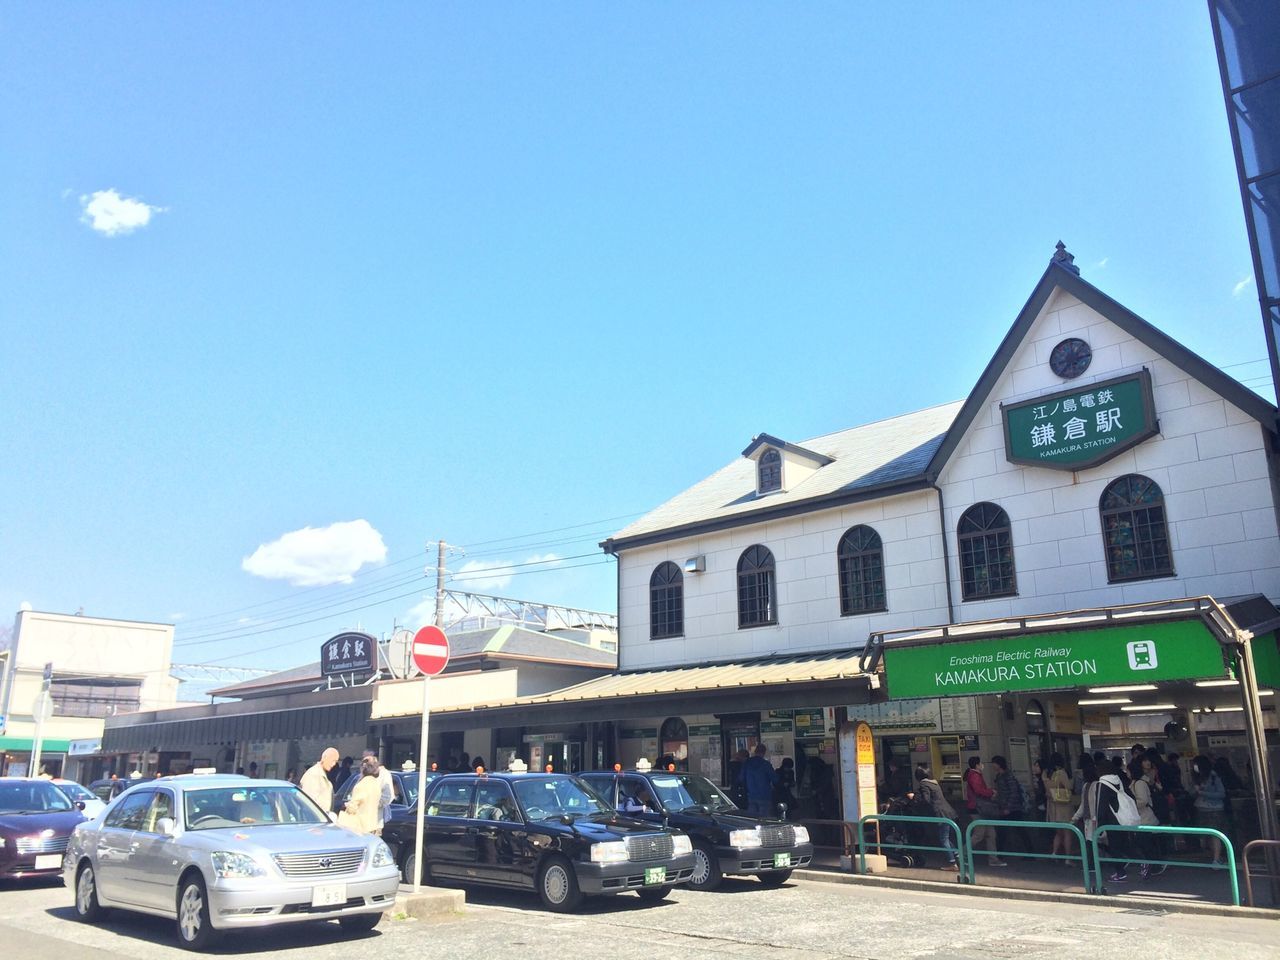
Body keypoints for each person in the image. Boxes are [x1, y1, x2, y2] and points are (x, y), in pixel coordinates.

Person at [1073, 768, 1129, 882]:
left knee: (1096, 841)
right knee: (1095, 841)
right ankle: (1115, 862)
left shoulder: (1096, 785)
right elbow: (1086, 804)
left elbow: (1091, 804)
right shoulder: (1093, 785)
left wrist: (1094, 818)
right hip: (1092, 818)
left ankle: (1113, 863)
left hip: (1094, 818)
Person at [963, 757, 1007, 866]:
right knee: (979, 834)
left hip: (979, 808)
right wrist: (991, 792)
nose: (982, 765)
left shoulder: (972, 775)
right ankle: (962, 853)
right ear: (977, 765)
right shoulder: (975, 776)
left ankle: (993, 859)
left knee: (990, 834)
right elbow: (979, 790)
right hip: (978, 808)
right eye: (981, 763)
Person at [915, 764, 959, 873]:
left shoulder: (924, 784)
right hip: (948, 811)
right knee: (946, 838)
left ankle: (953, 863)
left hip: (940, 813)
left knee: (943, 839)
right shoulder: (934, 783)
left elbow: (926, 800)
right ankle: (958, 856)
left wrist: (914, 798)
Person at [1189, 755, 1228, 864]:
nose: (1193, 766)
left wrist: (1202, 792)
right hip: (1202, 810)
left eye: (1195, 764)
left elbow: (1221, 794)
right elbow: (1191, 793)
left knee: (1214, 835)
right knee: (1209, 836)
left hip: (1214, 810)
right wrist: (1195, 790)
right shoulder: (1197, 777)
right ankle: (1215, 857)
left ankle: (1216, 859)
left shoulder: (1214, 776)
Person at [1127, 758, 1161, 879]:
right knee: (1146, 844)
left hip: (1144, 818)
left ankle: (1153, 866)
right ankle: (1153, 866)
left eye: (1128, 770)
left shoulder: (1139, 783)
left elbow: (1143, 800)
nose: (1127, 773)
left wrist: (1130, 805)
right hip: (1142, 818)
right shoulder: (1137, 782)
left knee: (1144, 844)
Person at [990, 756, 1028, 855]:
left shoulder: (1008, 776)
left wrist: (1008, 807)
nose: (992, 765)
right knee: (1005, 831)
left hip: (1012, 808)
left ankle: (1029, 852)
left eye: (994, 763)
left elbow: (1013, 792)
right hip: (1005, 807)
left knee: (1016, 831)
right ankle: (1000, 853)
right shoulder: (999, 776)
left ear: (999, 764)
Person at [338, 756, 383, 835]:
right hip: (372, 824)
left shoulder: (361, 785)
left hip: (361, 826)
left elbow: (353, 807)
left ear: (363, 769)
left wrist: (346, 805)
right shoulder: (376, 784)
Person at [1044, 753, 1075, 860]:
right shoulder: (1061, 773)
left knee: (1058, 833)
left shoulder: (1047, 774)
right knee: (1067, 833)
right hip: (1063, 806)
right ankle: (1068, 858)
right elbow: (1069, 786)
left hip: (1052, 806)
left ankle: (1054, 853)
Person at [362, 749, 394, 834]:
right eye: (363, 760)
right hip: (360, 824)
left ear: (375, 759)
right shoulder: (362, 775)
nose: (365, 763)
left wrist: (372, 804)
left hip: (375, 824)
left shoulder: (384, 774)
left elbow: (388, 797)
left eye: (367, 760)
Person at [743, 743, 777, 817]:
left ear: (755, 751)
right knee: (764, 819)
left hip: (751, 795)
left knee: (752, 818)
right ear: (764, 752)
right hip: (765, 795)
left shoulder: (747, 763)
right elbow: (775, 779)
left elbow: (740, 778)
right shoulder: (766, 764)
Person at [301, 747, 339, 812]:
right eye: (333, 760)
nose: (334, 764)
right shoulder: (313, 774)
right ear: (324, 757)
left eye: (335, 762)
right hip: (314, 818)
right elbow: (310, 802)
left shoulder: (321, 774)